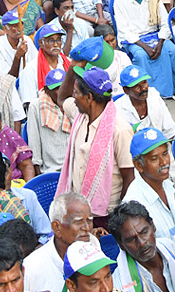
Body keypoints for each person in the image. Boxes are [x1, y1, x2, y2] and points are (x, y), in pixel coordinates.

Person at [55, 68, 137, 223]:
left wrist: (118, 220)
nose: (73, 98)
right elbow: (61, 99)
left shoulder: (119, 129)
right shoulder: (80, 115)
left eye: (76, 93)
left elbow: (129, 178)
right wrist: (73, 66)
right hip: (78, 208)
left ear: (89, 97)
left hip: (106, 214)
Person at [24, 191, 99, 292]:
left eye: (89, 220)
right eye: (78, 222)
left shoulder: (91, 243)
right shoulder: (31, 268)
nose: (86, 228)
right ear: (56, 227)